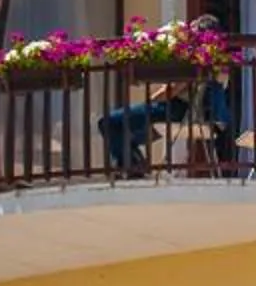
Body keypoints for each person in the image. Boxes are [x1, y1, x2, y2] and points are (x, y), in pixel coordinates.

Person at [97, 16, 237, 174]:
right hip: (196, 116)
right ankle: (135, 167)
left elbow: (170, 92)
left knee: (108, 122)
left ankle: (134, 169)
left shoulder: (195, 61)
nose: (187, 36)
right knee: (125, 137)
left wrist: (149, 102)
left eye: (191, 32)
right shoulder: (218, 65)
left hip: (174, 111)